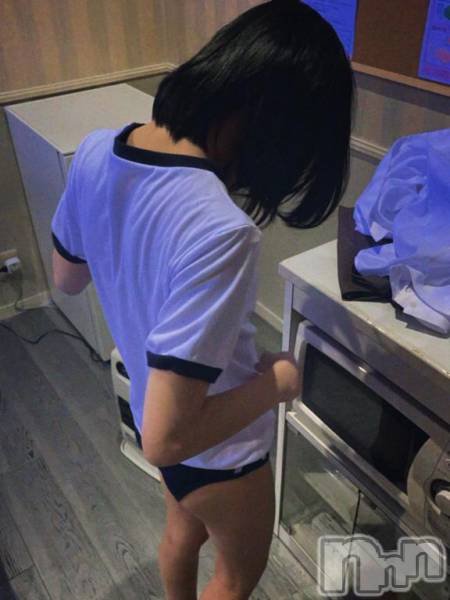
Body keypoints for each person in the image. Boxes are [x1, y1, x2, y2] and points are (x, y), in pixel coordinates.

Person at [51, 0, 354, 598]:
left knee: (180, 536)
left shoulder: (95, 150)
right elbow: (172, 437)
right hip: (220, 451)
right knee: (236, 579)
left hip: (156, 412)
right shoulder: (221, 229)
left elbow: (66, 278)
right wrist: (279, 384)